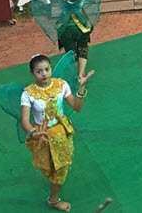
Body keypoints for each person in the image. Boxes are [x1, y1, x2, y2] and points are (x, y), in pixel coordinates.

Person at [21, 54, 93, 212]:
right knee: (51, 168)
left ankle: (53, 200)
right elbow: (25, 121)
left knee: (61, 169)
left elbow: (77, 107)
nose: (44, 73)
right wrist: (34, 132)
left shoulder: (62, 85)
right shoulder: (28, 94)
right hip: (43, 136)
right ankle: (54, 195)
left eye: (47, 69)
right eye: (39, 71)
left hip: (61, 133)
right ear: (32, 73)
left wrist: (81, 88)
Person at [30, 0, 104, 81]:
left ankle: (74, 72)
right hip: (82, 27)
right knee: (83, 48)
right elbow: (95, 0)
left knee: (71, 53)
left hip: (65, 29)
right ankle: (81, 74)